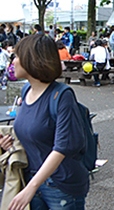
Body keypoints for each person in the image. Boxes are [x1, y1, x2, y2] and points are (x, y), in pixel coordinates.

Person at [0, 34, 88, 209]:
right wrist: (9, 145)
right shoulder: (26, 91)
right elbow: (33, 131)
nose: (13, 61)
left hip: (60, 185)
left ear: (31, 60)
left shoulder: (62, 95)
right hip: (32, 178)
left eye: (17, 56)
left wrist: (30, 189)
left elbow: (61, 147)